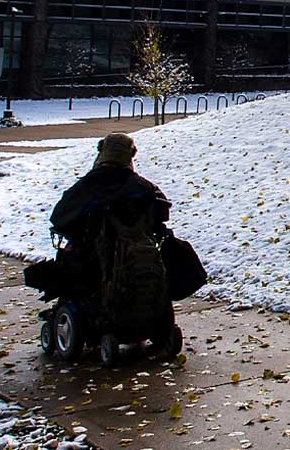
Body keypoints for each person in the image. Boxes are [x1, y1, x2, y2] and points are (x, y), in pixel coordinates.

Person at [27, 134, 188, 352]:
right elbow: (161, 215)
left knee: (67, 264)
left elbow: (60, 218)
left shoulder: (86, 187)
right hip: (139, 258)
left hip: (92, 261)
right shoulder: (144, 188)